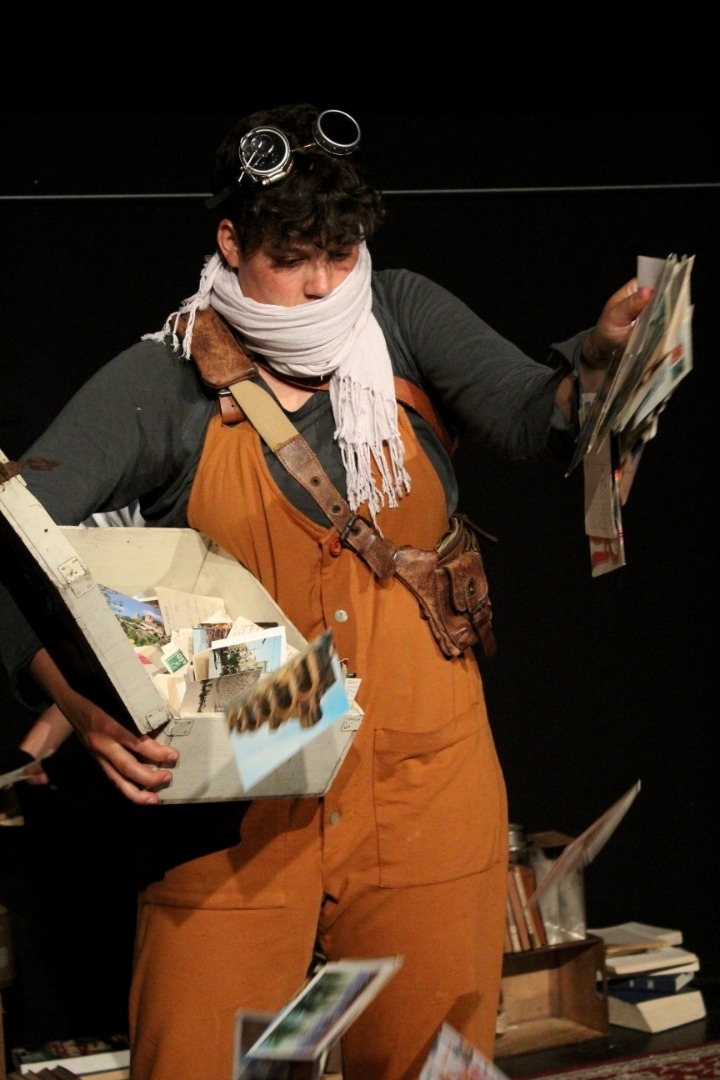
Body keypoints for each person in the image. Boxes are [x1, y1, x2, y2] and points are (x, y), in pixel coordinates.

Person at [0, 104, 654, 1080]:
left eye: (340, 255)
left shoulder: (401, 316)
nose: (320, 285)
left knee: (431, 1062)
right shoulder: (166, 379)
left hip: (425, 785)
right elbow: (13, 534)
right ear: (231, 242)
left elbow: (534, 415)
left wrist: (597, 363)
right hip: (243, 800)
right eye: (290, 258)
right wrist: (79, 705)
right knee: (204, 1062)